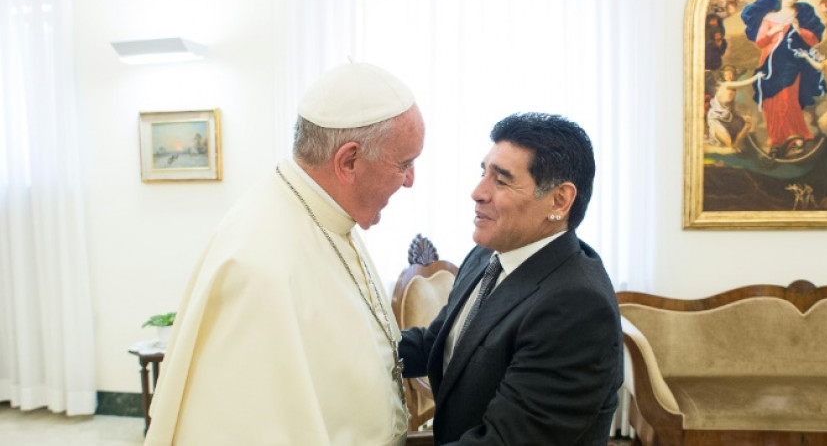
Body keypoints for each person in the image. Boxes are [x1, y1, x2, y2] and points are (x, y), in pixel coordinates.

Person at [144, 62, 425, 445]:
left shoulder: (327, 214)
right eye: (404, 164)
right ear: (348, 161)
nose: (410, 181)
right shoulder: (258, 263)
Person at [400, 112, 622, 445]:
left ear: (559, 200)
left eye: (501, 181)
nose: (477, 192)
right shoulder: (487, 255)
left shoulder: (576, 306)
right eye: (483, 173)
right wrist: (356, 348)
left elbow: (506, 440)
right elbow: (441, 342)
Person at [741, 0, 827, 158]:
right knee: (770, 100)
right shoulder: (770, 18)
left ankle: (795, 135)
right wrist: (773, 30)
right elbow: (760, 42)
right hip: (770, 61)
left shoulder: (799, 16)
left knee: (788, 97)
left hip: (791, 61)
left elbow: (813, 40)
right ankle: (776, 140)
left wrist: (798, 29)